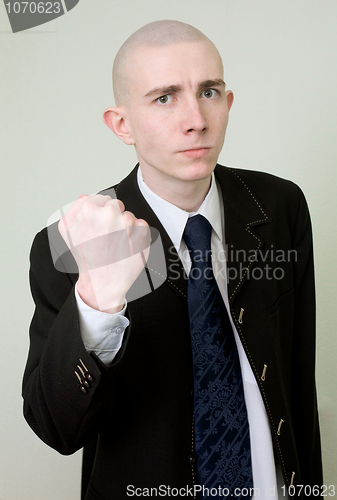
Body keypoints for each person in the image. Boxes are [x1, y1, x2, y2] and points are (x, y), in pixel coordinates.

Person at [22, 20, 323, 500]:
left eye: (208, 91)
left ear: (227, 102)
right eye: (164, 97)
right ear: (122, 124)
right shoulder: (69, 243)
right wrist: (98, 297)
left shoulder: (280, 205)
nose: (196, 119)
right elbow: (56, 429)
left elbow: (298, 381)